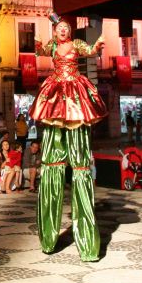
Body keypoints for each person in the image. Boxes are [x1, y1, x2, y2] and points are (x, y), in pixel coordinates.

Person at [29, 14, 107, 258]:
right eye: (59, 28)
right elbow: (41, 50)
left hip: (74, 89)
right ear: (55, 31)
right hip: (56, 89)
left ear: (69, 31)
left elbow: (91, 52)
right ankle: (50, 234)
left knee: (79, 158)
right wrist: (38, 42)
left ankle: (85, 235)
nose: (63, 30)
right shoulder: (53, 45)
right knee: (52, 158)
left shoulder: (76, 45)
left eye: (65, 28)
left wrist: (97, 46)